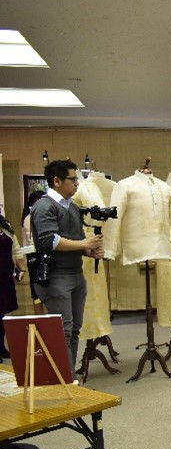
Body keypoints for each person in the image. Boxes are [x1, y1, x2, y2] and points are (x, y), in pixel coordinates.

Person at [30, 160, 104, 375]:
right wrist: (84, 245)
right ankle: (63, 378)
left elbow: (75, 240)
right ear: (56, 181)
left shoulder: (71, 206)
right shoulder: (44, 206)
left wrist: (88, 251)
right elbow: (49, 241)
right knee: (63, 331)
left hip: (75, 275)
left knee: (73, 331)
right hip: (56, 277)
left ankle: (67, 375)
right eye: (72, 180)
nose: (77, 184)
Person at [1, 213, 27, 361]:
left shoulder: (6, 227)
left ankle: (1, 346)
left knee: (3, 312)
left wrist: (21, 269)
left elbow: (16, 250)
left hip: (5, 277)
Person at [21, 190, 46, 314]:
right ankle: (41, 319)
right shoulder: (29, 218)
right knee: (37, 291)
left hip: (40, 254)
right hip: (36, 256)